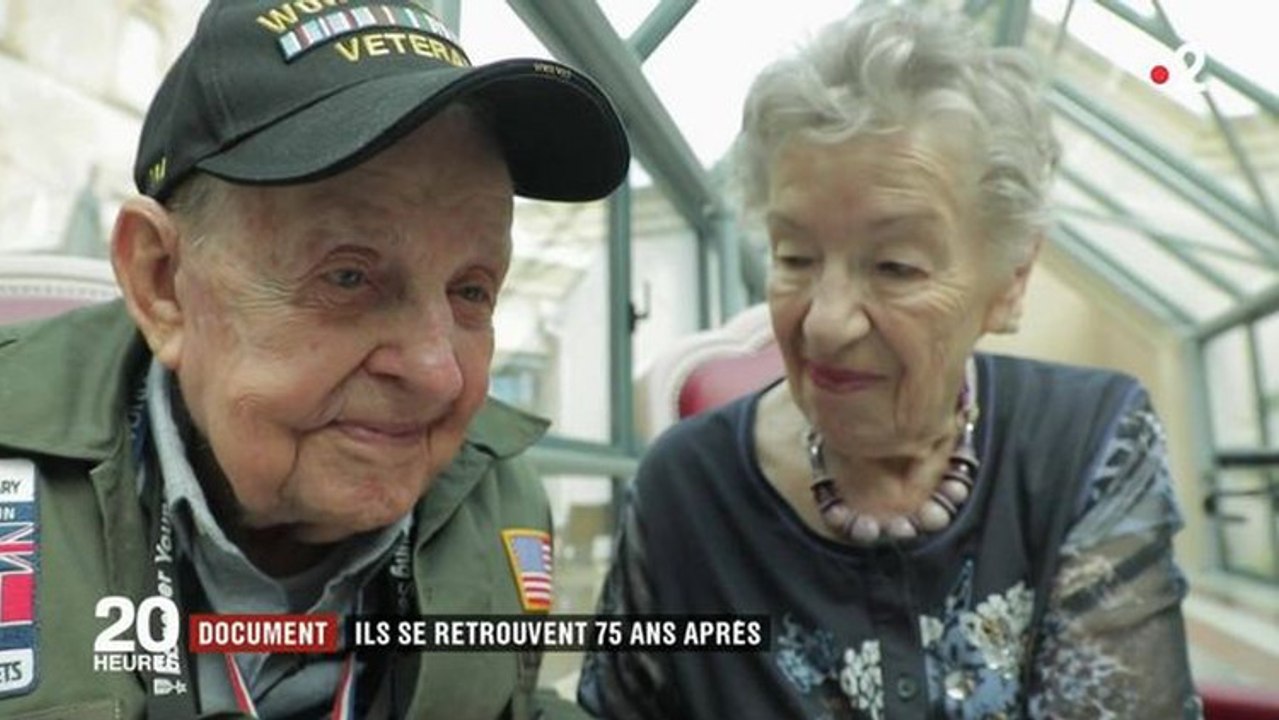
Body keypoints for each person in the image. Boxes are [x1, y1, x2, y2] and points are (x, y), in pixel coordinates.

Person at [0, 0, 628, 717]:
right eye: (348, 277)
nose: (438, 372)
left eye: (470, 290)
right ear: (162, 282)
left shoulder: (499, 493)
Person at [578, 3, 1199, 718]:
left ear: (1009, 283)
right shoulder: (684, 488)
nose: (826, 321)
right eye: (794, 257)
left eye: (896, 266)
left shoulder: (1089, 440)